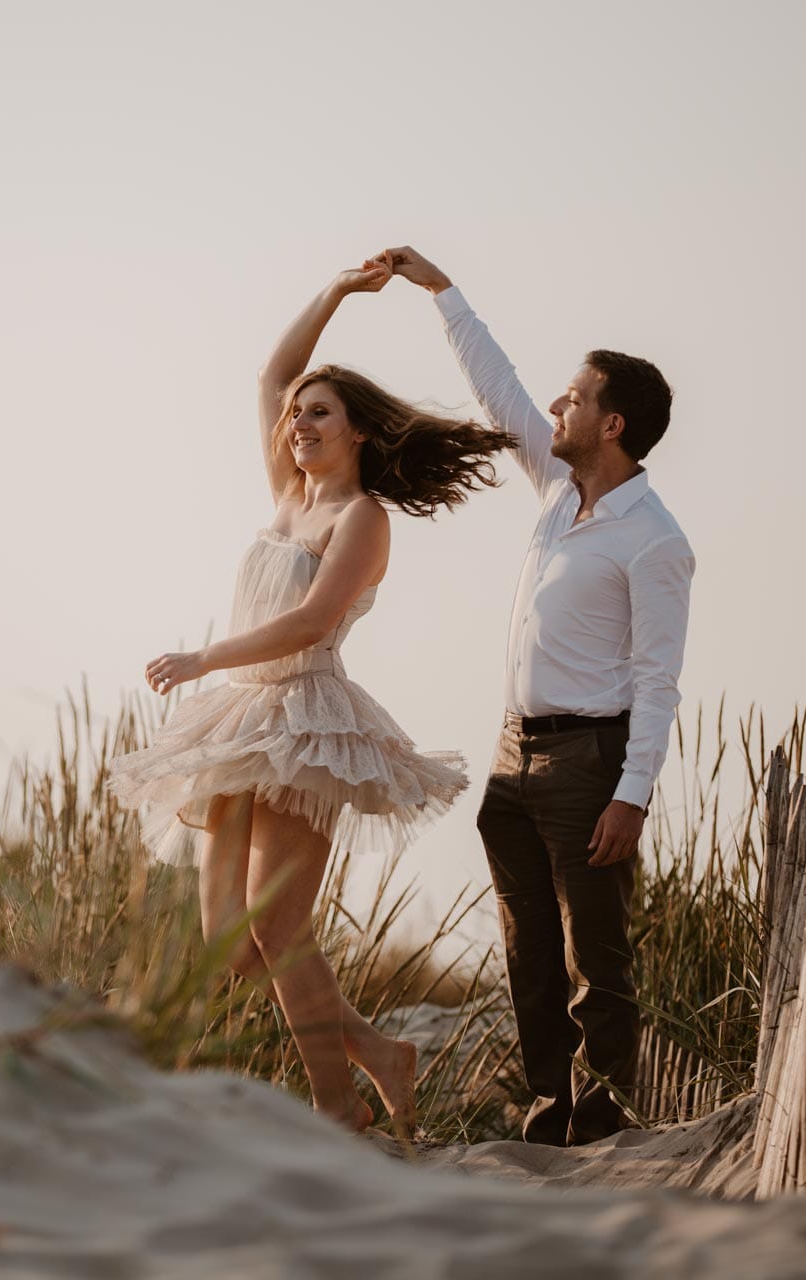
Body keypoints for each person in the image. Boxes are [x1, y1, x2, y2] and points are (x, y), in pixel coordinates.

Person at [108, 259, 509, 1135]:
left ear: (358, 431)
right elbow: (269, 375)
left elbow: (308, 624)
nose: (298, 422)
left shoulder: (361, 519)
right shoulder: (288, 497)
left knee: (282, 928)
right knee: (234, 943)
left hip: (304, 720)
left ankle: (339, 1107)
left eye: (319, 411)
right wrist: (334, 294)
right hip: (238, 723)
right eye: (297, 414)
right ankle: (380, 1054)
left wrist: (205, 655)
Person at [378, 244, 694, 1147]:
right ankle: (550, 1110)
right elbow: (500, 388)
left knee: (596, 956)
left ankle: (607, 1119)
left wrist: (632, 793)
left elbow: (657, 680)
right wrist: (442, 292)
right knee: (528, 956)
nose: (557, 406)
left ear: (613, 423)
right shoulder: (559, 493)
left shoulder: (655, 541)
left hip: (590, 763)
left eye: (576, 398)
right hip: (514, 756)